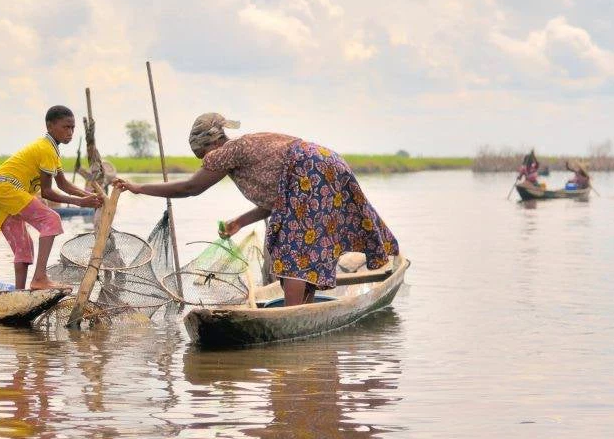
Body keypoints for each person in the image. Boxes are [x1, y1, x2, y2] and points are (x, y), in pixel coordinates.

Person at [113, 113, 400, 307]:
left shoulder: (228, 151)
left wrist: (139, 188)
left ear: (212, 143)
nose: (208, 163)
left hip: (308, 170)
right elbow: (278, 199)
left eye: (205, 156)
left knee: (293, 249)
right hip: (324, 164)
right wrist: (240, 221)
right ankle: (301, 308)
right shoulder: (246, 150)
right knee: (305, 243)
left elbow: (190, 188)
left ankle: (292, 315)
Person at [0, 106, 103, 290]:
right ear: (50, 126)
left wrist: (92, 196)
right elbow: (47, 192)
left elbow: (63, 184)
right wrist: (80, 202)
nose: (70, 132)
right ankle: (39, 278)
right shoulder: (46, 148)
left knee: (24, 246)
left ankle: (19, 294)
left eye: (72, 128)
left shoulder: (52, 151)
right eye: (65, 127)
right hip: (5, 188)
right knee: (51, 219)